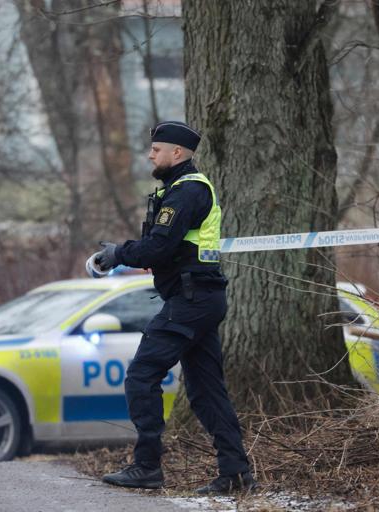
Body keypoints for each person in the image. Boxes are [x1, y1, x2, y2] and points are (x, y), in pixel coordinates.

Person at [92, 121, 255, 494]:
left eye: (156, 150)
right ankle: (235, 474)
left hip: (191, 299)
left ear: (177, 153)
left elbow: (159, 247)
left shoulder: (187, 192)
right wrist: (134, 253)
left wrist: (118, 253)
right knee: (206, 392)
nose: (150, 155)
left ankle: (147, 467)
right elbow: (169, 249)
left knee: (141, 376)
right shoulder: (181, 190)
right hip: (198, 297)